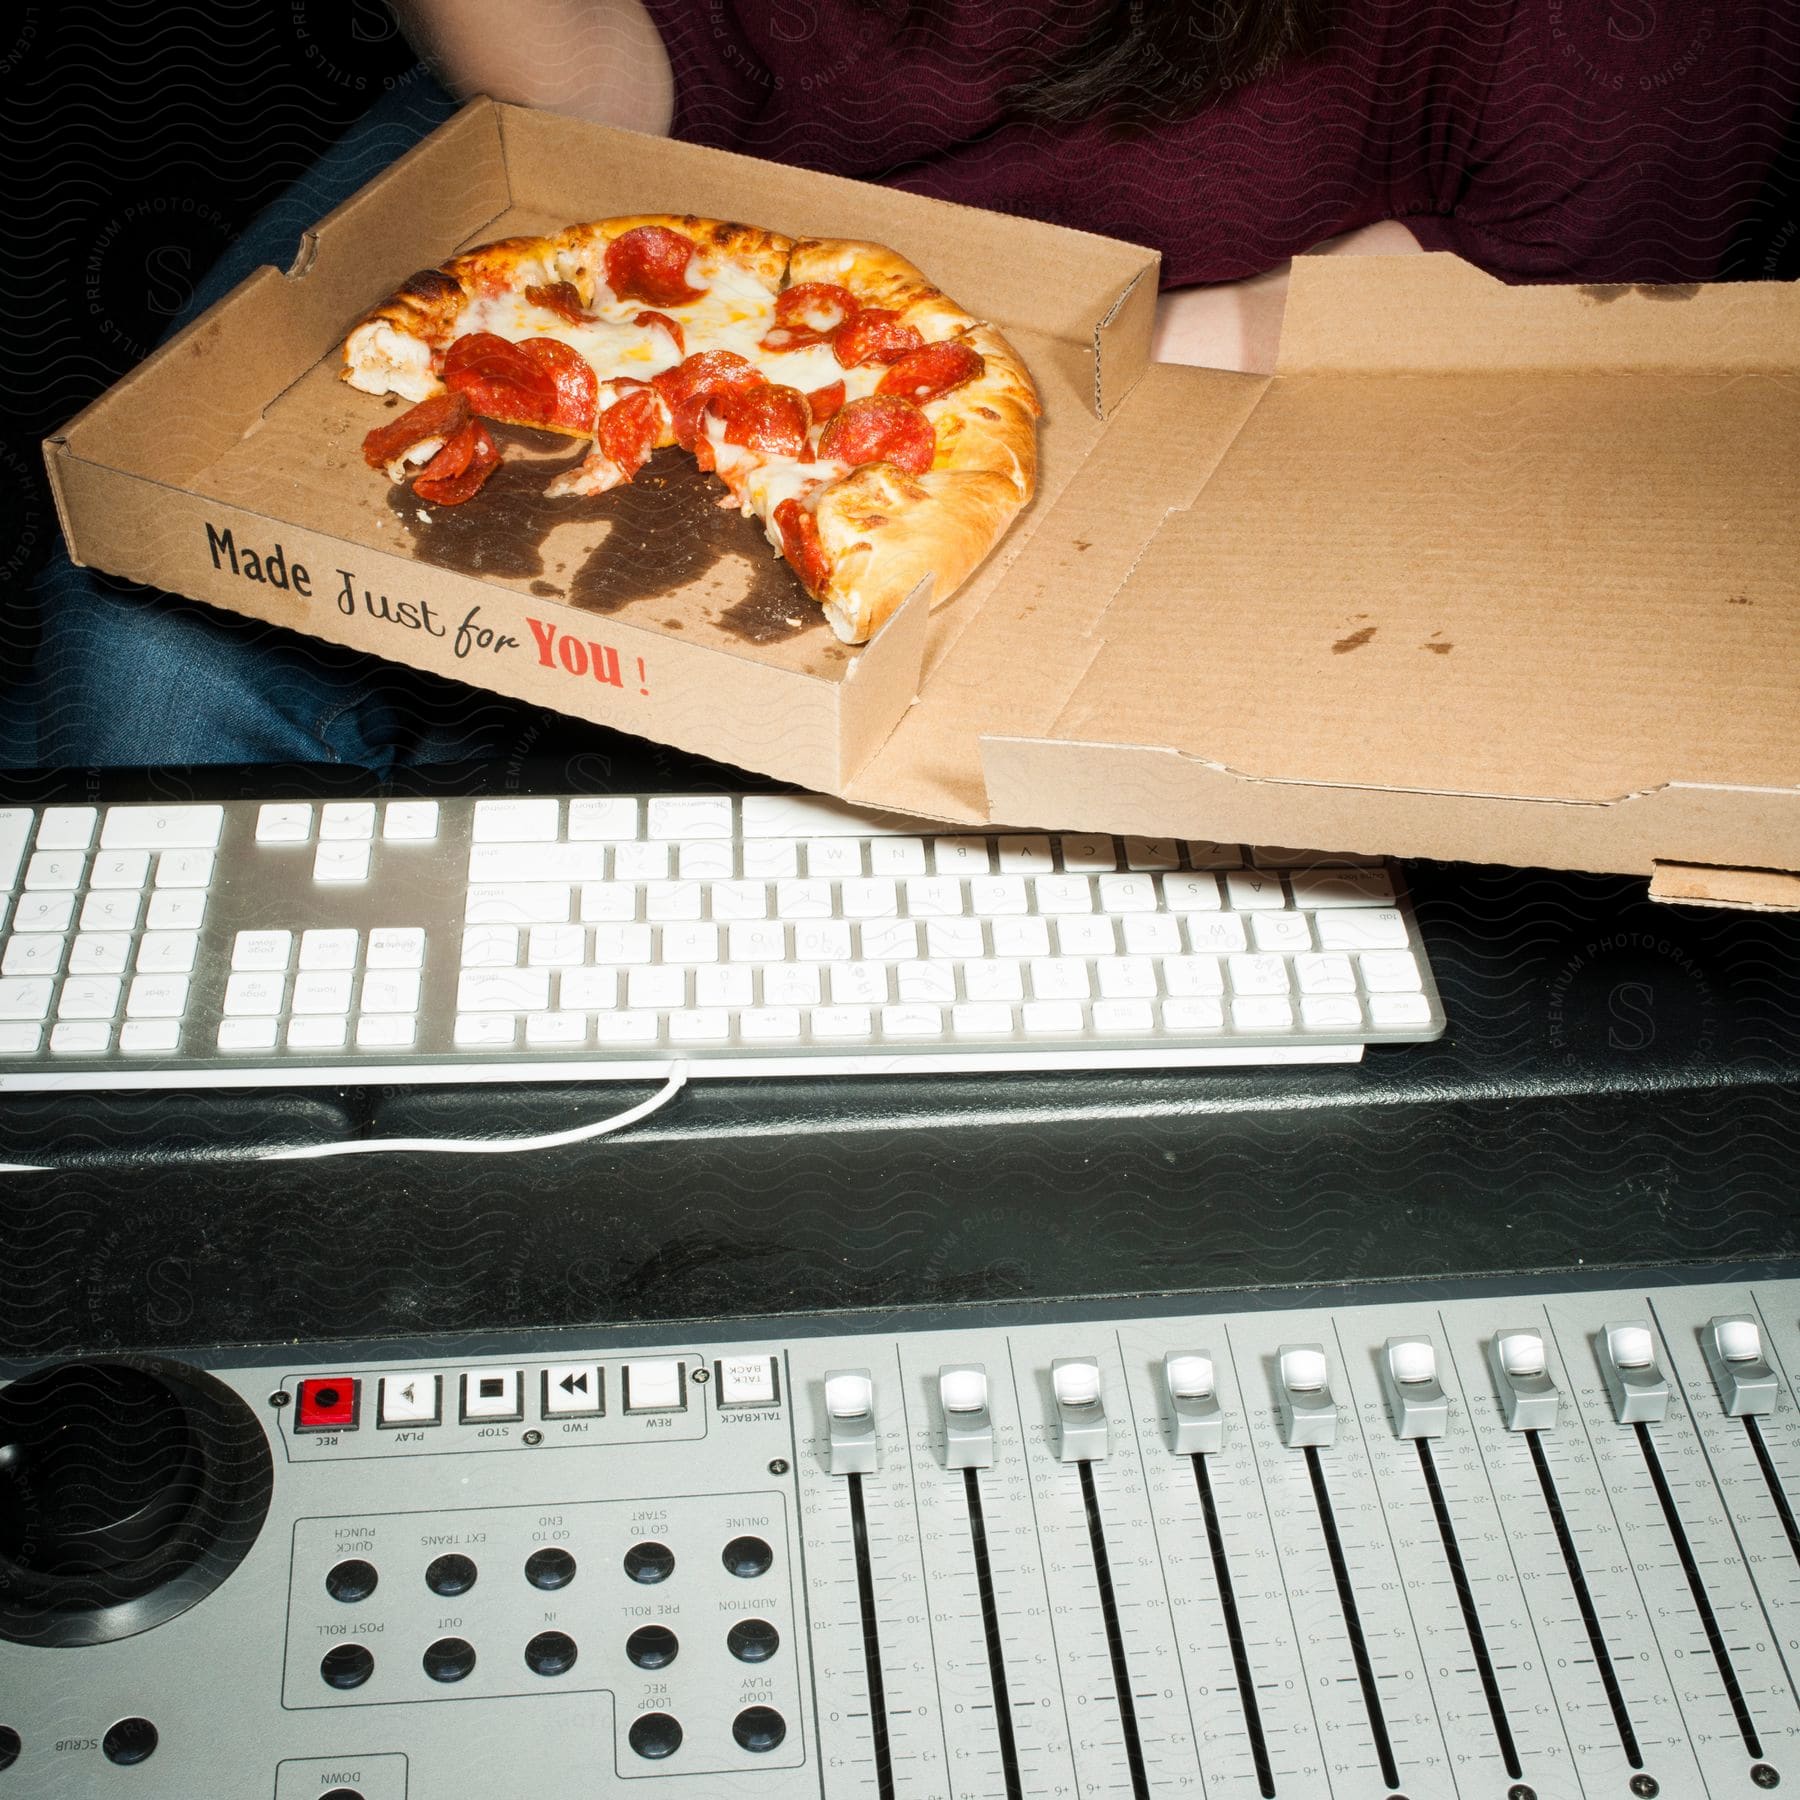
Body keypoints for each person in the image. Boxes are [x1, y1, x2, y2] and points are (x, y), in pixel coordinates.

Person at [10, 0, 1794, 769]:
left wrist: (890, 395)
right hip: (668, 218)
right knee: (139, 640)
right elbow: (622, 90)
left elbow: (1519, 322)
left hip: (1229, 343)